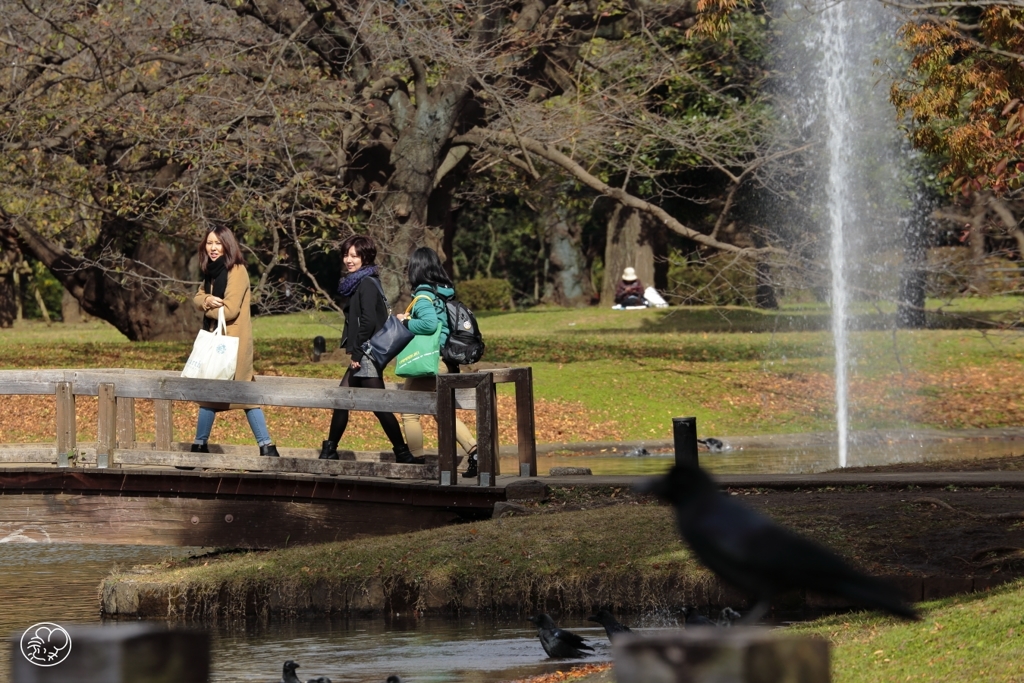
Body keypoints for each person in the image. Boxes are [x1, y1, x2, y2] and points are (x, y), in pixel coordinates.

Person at [319, 235, 420, 464]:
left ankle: (402, 453)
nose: (349, 260)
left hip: (366, 354)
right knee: (343, 400)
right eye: (346, 254)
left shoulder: (366, 283)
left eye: (354, 255)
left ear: (366, 256)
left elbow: (367, 322)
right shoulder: (361, 282)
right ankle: (329, 449)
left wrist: (356, 353)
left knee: (378, 405)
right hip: (365, 353)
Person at [191, 225, 280, 457]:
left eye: (217, 243)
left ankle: (266, 445)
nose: (212, 248)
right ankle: (200, 445)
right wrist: (208, 300)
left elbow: (229, 311)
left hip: (233, 343)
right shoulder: (211, 270)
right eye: (209, 243)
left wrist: (206, 307)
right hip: (218, 341)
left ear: (227, 245)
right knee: (211, 393)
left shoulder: (236, 270)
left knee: (244, 394)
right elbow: (198, 296)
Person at [396, 247, 480, 478]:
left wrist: (405, 323)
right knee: (439, 410)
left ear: (416, 268)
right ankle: (475, 451)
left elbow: (429, 325)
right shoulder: (443, 292)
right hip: (446, 359)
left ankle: (416, 461)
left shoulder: (423, 294)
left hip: (431, 361)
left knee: (410, 411)